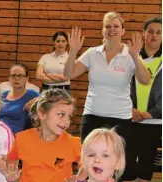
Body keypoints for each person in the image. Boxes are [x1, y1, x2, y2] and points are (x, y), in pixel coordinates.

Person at [6, 89, 86, 182]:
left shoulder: (72, 143)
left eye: (69, 116)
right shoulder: (23, 139)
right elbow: (10, 162)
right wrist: (11, 178)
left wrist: (78, 181)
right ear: (42, 113)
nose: (66, 121)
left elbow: (87, 164)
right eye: (61, 114)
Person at [63, 12, 151, 145]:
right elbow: (68, 74)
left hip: (120, 117)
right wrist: (73, 51)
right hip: (92, 115)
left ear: (123, 31)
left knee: (116, 163)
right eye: (108, 26)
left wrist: (134, 56)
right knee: (88, 159)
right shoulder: (92, 53)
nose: (112, 30)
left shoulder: (130, 54)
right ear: (103, 31)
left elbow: (145, 80)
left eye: (116, 26)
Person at [123, 17, 162, 182]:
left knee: (146, 161)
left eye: (158, 32)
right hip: (130, 117)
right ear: (144, 33)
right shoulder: (131, 57)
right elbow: (123, 85)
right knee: (129, 160)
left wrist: (151, 113)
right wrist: (131, 110)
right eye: (151, 31)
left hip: (155, 120)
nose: (154, 35)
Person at [0, 63, 39, 135]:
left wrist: (35, 101)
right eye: (13, 75)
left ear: (26, 79)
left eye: (20, 76)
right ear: (9, 78)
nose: (17, 78)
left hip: (17, 136)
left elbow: (46, 102)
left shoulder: (32, 95)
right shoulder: (3, 95)